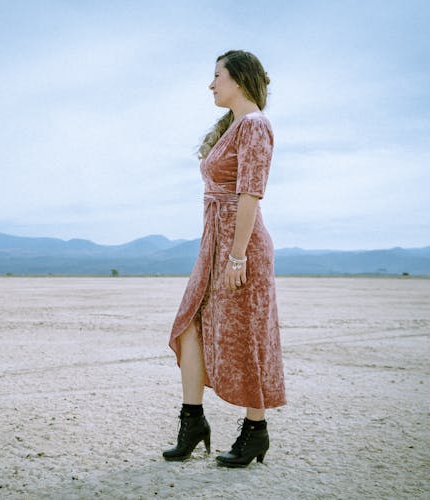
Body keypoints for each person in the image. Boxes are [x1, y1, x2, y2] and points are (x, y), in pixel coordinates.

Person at [163, 50, 286, 468]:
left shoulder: (255, 126)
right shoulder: (232, 126)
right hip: (215, 241)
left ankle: (256, 430)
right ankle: (193, 421)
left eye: (217, 76)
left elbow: (250, 192)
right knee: (190, 323)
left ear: (240, 79)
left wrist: (237, 257)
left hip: (241, 243)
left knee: (247, 334)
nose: (211, 84)